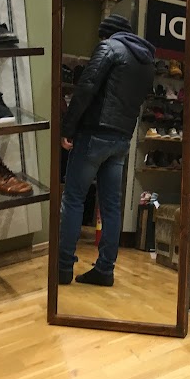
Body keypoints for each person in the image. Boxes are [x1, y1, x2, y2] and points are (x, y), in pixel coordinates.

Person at [59, 14, 155, 286]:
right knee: (111, 205)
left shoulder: (109, 48)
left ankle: (63, 267)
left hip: (94, 133)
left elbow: (86, 87)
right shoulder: (146, 60)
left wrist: (68, 128)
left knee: (74, 198)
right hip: (122, 138)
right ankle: (104, 270)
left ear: (107, 34)